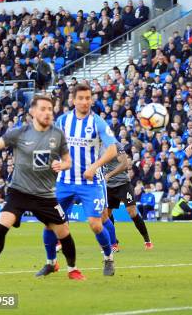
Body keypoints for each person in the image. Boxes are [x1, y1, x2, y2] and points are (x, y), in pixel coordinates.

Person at [0, 94, 85, 283]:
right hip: (19, 191)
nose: (47, 112)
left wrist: (62, 166)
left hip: (45, 195)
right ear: (32, 112)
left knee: (64, 232)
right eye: (43, 109)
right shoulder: (19, 133)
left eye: (50, 109)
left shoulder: (57, 134)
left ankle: (73, 270)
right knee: (2, 225)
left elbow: (68, 161)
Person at [39, 83, 119, 277]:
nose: (85, 101)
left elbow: (113, 149)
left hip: (90, 183)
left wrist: (94, 166)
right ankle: (51, 262)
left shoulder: (98, 122)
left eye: (88, 98)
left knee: (95, 223)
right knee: (51, 222)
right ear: (73, 100)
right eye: (81, 98)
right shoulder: (63, 121)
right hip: (65, 182)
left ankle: (108, 258)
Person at [103, 143, 153, 251]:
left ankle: (147, 240)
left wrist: (109, 175)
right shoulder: (97, 146)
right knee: (106, 214)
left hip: (123, 184)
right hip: (108, 186)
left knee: (132, 212)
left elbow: (124, 165)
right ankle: (113, 243)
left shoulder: (116, 146)